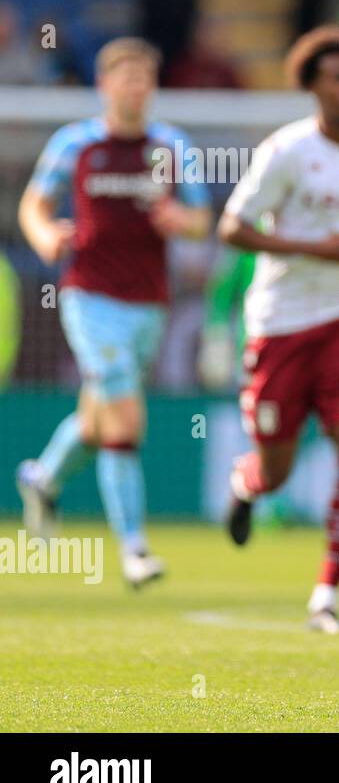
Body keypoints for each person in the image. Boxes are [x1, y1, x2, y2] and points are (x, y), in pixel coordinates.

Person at [217, 26, 339, 633]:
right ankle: (246, 485)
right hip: (279, 323)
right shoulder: (286, 152)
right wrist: (309, 248)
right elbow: (232, 228)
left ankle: (326, 592)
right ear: (313, 87)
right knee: (276, 470)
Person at [15, 38, 210, 586]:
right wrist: (45, 235)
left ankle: (43, 476)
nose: (135, 87)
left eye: (144, 78)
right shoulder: (75, 143)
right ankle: (134, 550)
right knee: (125, 418)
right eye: (125, 77)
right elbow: (34, 203)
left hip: (147, 302)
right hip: (88, 295)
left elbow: (202, 220)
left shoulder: (171, 145)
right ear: (104, 85)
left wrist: (179, 218)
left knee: (99, 417)